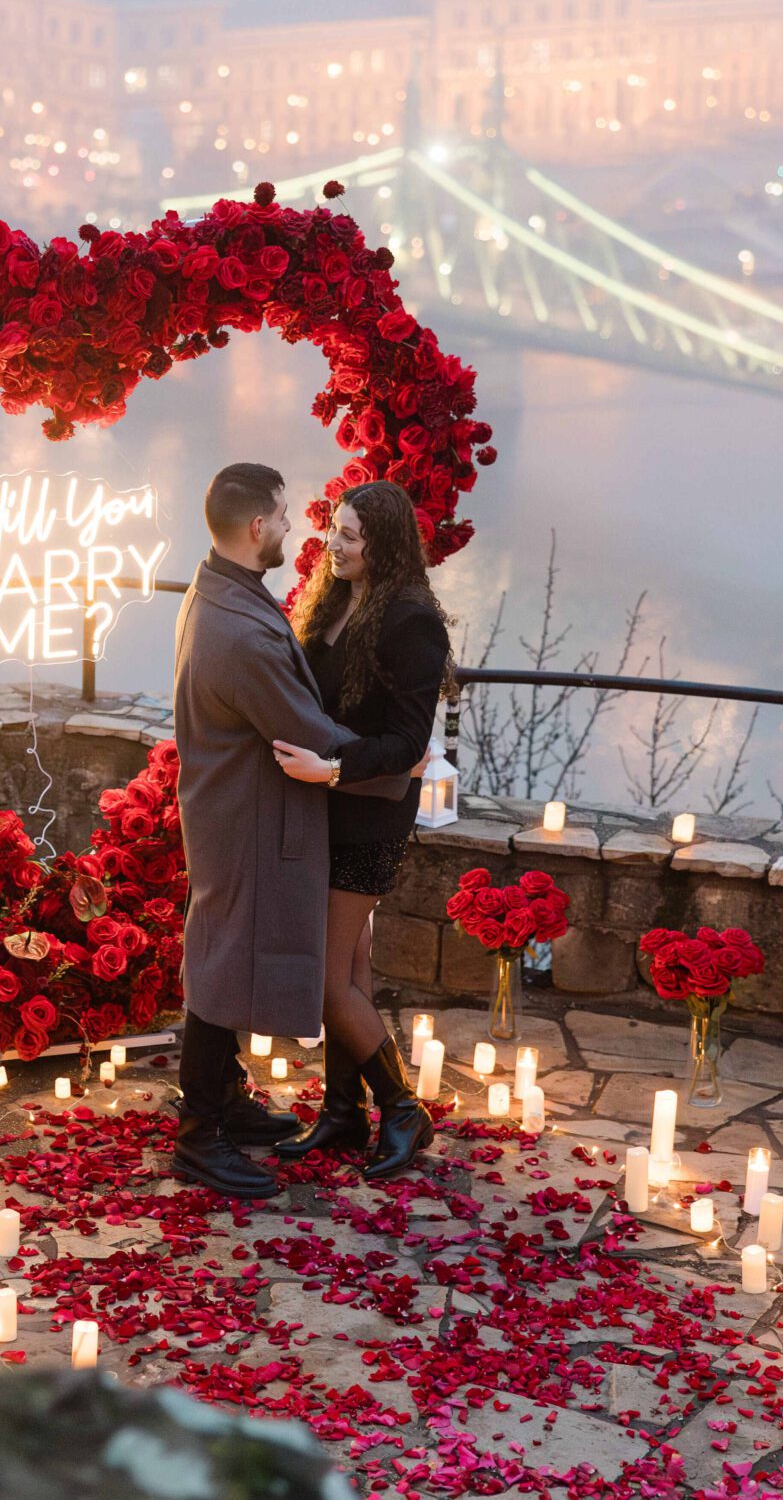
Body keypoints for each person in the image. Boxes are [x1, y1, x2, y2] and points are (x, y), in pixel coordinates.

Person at [169, 463, 411, 1200]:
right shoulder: (240, 632)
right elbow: (307, 731)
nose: (291, 527)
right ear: (254, 529)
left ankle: (228, 1103)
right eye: (281, 516)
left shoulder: (219, 587)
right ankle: (200, 1137)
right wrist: (398, 766)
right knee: (220, 965)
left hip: (229, 807)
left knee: (223, 950)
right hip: (244, 818)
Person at [268, 481, 450, 1180]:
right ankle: (343, 1112)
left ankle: (403, 1107)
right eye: (333, 530)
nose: (333, 544)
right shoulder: (337, 599)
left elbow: (408, 740)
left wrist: (331, 769)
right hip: (324, 807)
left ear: (387, 542)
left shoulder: (411, 619)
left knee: (322, 977)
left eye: (350, 535)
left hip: (367, 812)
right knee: (348, 970)